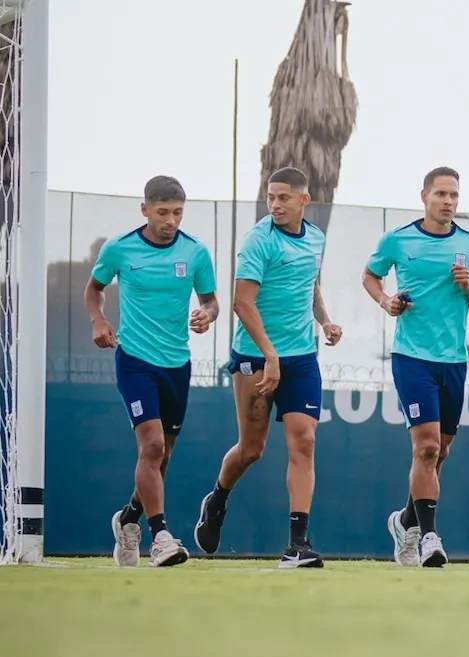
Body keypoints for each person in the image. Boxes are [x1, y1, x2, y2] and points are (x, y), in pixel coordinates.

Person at [192, 167, 342, 569]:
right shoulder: (258, 240)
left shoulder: (316, 238)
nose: (275, 204)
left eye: (283, 198)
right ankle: (218, 499)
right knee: (252, 450)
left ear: (303, 200)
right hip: (255, 357)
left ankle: (298, 545)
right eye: (271, 197)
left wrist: (324, 320)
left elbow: (309, 284)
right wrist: (270, 357)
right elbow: (242, 303)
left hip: (302, 358)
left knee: (304, 441)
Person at [365, 167, 469, 568]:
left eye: (454, 195)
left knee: (440, 452)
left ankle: (405, 520)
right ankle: (429, 538)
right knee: (425, 447)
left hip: (453, 361)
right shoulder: (398, 239)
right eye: (441, 193)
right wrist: (387, 301)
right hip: (411, 357)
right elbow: (371, 276)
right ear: (424, 196)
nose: (448, 201)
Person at [87, 175, 219, 568]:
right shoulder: (120, 249)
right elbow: (94, 288)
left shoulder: (195, 253)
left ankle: (128, 519)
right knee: (153, 446)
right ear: (145, 210)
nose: (171, 220)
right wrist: (98, 320)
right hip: (135, 361)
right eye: (163, 212)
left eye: (177, 212)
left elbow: (211, 300)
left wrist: (206, 316)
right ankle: (160, 536)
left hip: (176, 364)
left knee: (163, 457)